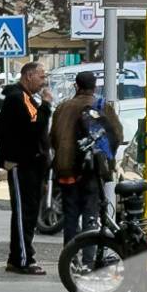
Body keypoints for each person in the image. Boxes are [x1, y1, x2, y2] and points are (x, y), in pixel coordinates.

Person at [0, 61, 53, 274]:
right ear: (29, 76)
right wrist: (45, 105)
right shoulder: (18, 98)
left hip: (32, 165)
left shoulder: (25, 98)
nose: (43, 81)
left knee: (29, 212)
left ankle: (19, 255)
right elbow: (34, 128)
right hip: (22, 165)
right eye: (41, 76)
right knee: (23, 213)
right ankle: (22, 259)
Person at [51, 70, 125, 246]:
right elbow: (117, 135)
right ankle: (88, 260)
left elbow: (53, 138)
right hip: (92, 171)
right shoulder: (101, 106)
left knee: (70, 216)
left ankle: (70, 258)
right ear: (94, 87)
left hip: (67, 170)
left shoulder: (62, 108)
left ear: (76, 86)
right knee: (90, 215)